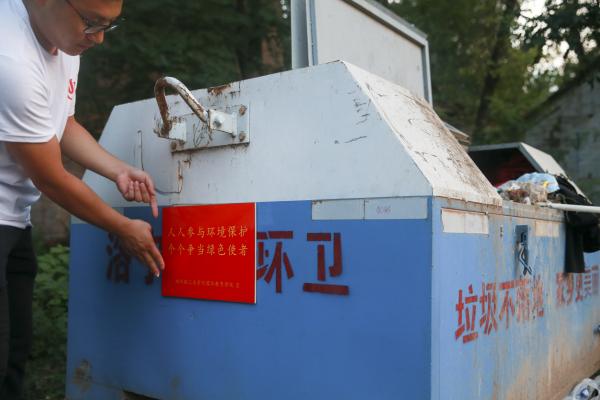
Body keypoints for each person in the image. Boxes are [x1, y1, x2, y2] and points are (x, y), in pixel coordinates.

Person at [0, 0, 164, 398]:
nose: (99, 38)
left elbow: (62, 123)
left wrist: (117, 169)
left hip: (14, 217)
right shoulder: (10, 59)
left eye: (109, 25)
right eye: (92, 23)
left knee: (15, 352)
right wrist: (121, 226)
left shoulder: (65, 39)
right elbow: (50, 178)